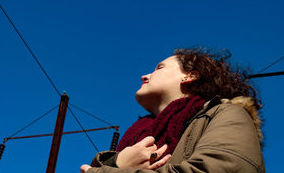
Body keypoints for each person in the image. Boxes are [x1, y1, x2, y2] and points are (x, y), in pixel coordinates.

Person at [80, 48, 265, 173]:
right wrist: (116, 163)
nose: (144, 75)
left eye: (159, 67)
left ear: (189, 76)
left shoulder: (226, 114)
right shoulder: (137, 135)